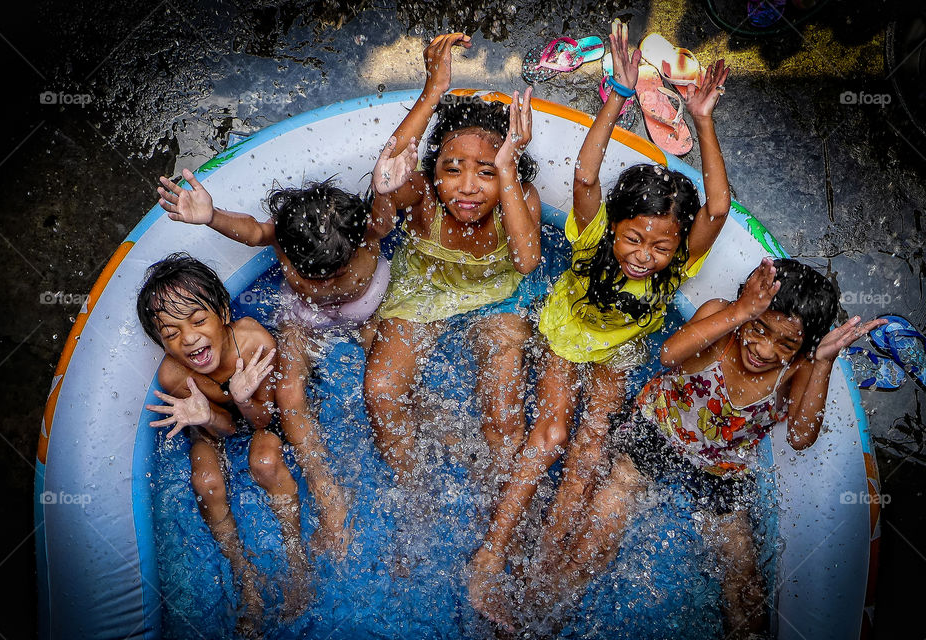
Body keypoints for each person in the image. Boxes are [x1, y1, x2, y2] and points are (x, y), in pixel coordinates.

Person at [467, 19, 732, 627]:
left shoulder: (676, 266)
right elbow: (586, 176)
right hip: (563, 339)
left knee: (590, 452)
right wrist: (615, 95)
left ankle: (545, 564)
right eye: (633, 238)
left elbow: (716, 207)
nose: (643, 255)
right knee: (551, 437)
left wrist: (704, 122)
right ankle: (491, 554)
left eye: (659, 247)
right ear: (613, 227)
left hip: (618, 352)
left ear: (677, 248)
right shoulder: (589, 240)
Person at [535, 258, 886, 635]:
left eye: (785, 343)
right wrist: (739, 313)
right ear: (747, 307)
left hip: (721, 468)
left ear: (803, 348)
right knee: (595, 540)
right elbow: (669, 354)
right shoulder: (721, 319)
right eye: (759, 328)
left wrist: (822, 363)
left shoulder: (799, 368)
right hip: (657, 432)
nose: (765, 350)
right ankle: (539, 621)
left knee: (745, 586)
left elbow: (801, 437)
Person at [156, 174, 392, 554]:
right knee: (288, 393)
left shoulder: (367, 230)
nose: (323, 286)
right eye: (307, 276)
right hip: (304, 320)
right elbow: (252, 232)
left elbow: (387, 215)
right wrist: (211, 215)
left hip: (366, 314)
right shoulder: (287, 237)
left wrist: (384, 191)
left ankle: (427, 424)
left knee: (387, 378)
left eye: (336, 274)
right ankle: (326, 491)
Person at [364, 32, 542, 484]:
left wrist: (507, 170)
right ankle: (414, 493)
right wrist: (433, 92)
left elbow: (525, 262)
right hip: (424, 289)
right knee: (382, 392)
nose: (467, 187)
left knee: (502, 415)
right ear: (433, 170)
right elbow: (383, 200)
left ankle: (502, 501)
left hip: (495, 297)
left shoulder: (518, 199)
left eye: (486, 171)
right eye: (453, 169)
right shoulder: (421, 196)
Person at [137, 253, 308, 633]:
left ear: (224, 314)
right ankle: (245, 578)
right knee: (206, 483)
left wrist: (244, 396)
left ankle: (297, 562)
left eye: (198, 321)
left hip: (259, 413)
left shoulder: (253, 342)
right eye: (171, 334)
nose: (190, 338)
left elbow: (266, 420)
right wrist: (207, 417)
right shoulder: (173, 374)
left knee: (264, 462)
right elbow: (225, 429)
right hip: (209, 420)